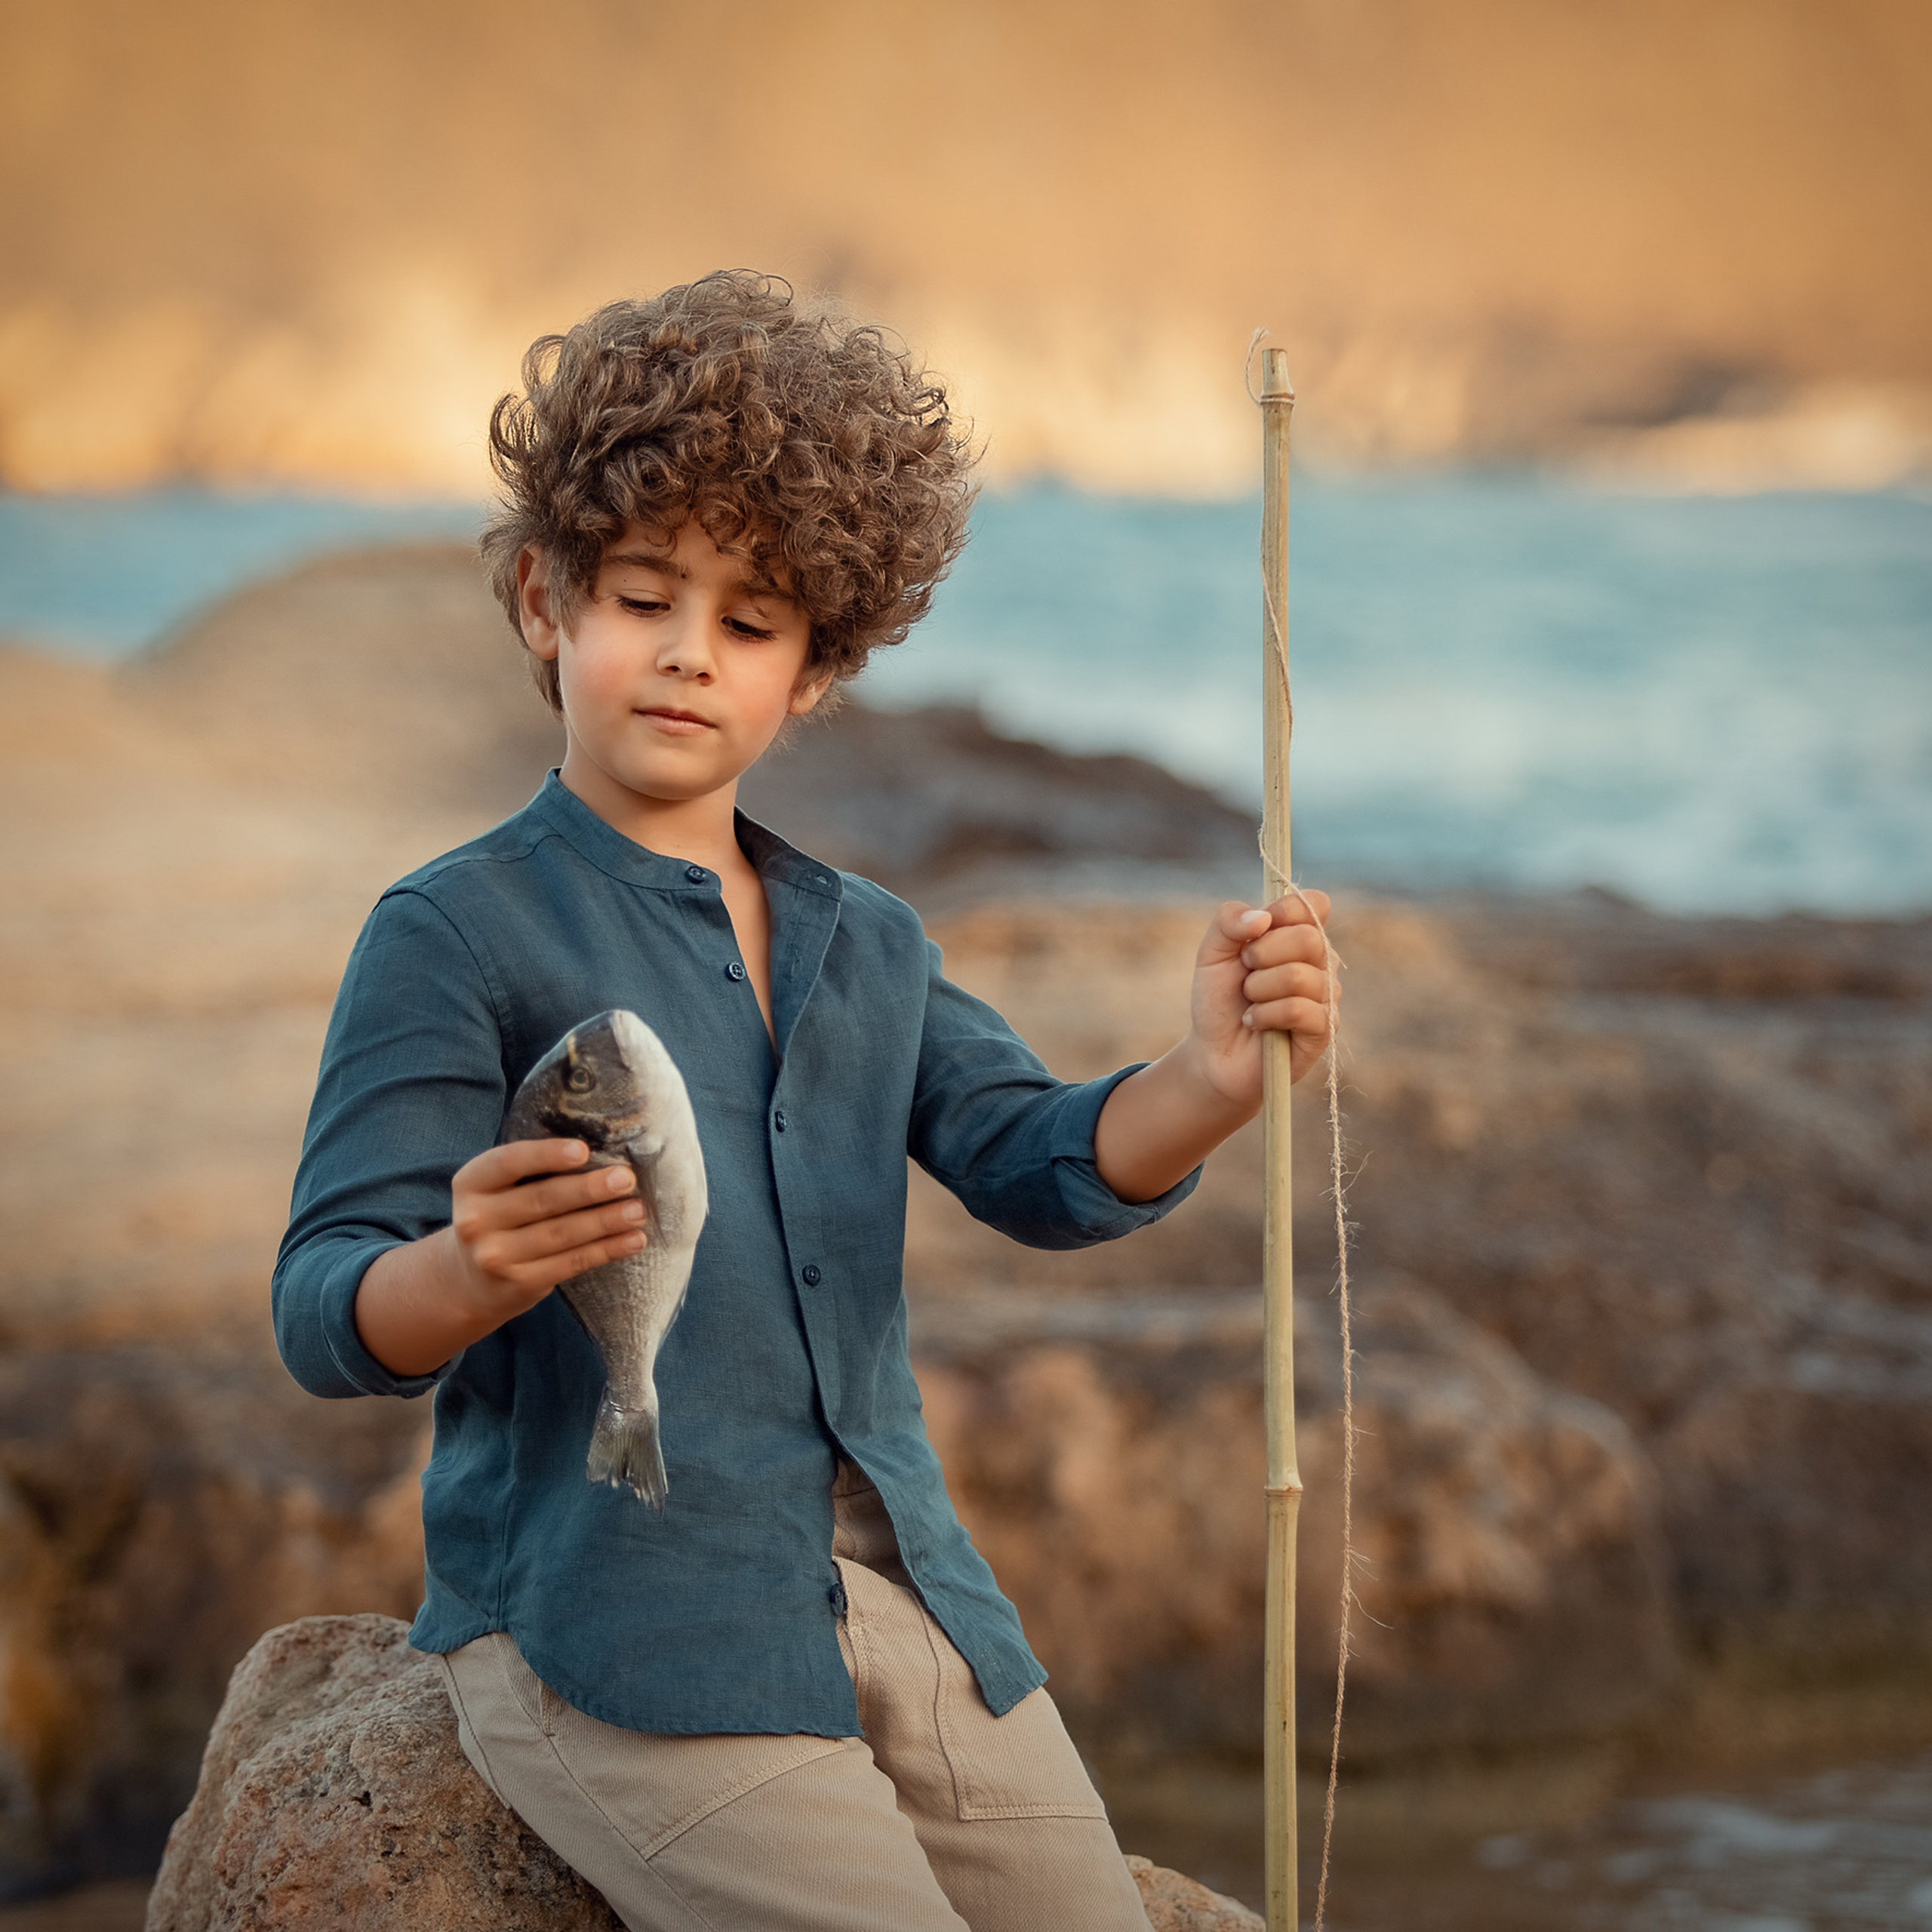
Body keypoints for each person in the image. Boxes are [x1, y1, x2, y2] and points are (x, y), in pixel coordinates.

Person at [273, 270, 1334, 1932]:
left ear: (817, 673)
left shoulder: (868, 940)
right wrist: (465, 1272)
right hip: (613, 1621)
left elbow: (1040, 1161)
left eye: (752, 624)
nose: (687, 653)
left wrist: (1205, 1078)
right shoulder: (451, 929)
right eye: (642, 595)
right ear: (545, 599)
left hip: (908, 1597)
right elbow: (324, 1305)